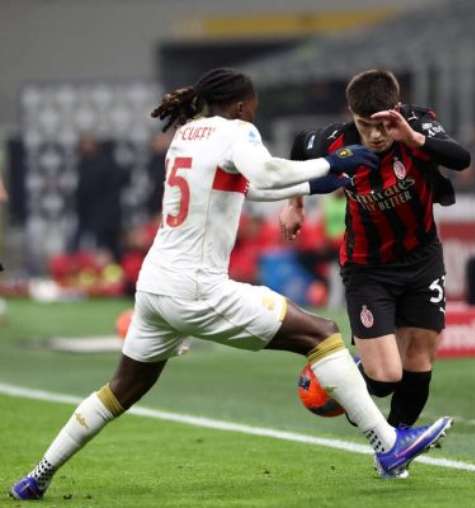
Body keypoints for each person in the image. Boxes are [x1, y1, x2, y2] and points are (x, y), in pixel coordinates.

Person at [9, 68, 452, 501]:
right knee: (323, 335)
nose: (254, 113)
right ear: (241, 105)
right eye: (253, 106)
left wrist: (317, 183)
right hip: (198, 289)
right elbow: (265, 173)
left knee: (119, 390)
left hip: (154, 286)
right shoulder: (238, 131)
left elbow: (246, 187)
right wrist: (332, 161)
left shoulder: (186, 135)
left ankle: (37, 476)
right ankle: (387, 444)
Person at [261, 69, 470, 431]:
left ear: (397, 109)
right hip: (367, 267)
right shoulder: (335, 140)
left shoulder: (418, 123)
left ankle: (397, 441)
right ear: (351, 114)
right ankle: (342, 371)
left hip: (422, 260)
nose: (375, 135)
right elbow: (299, 148)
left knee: (420, 358)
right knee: (385, 379)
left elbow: (461, 158)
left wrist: (413, 138)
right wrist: (294, 204)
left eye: (383, 125)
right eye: (365, 125)